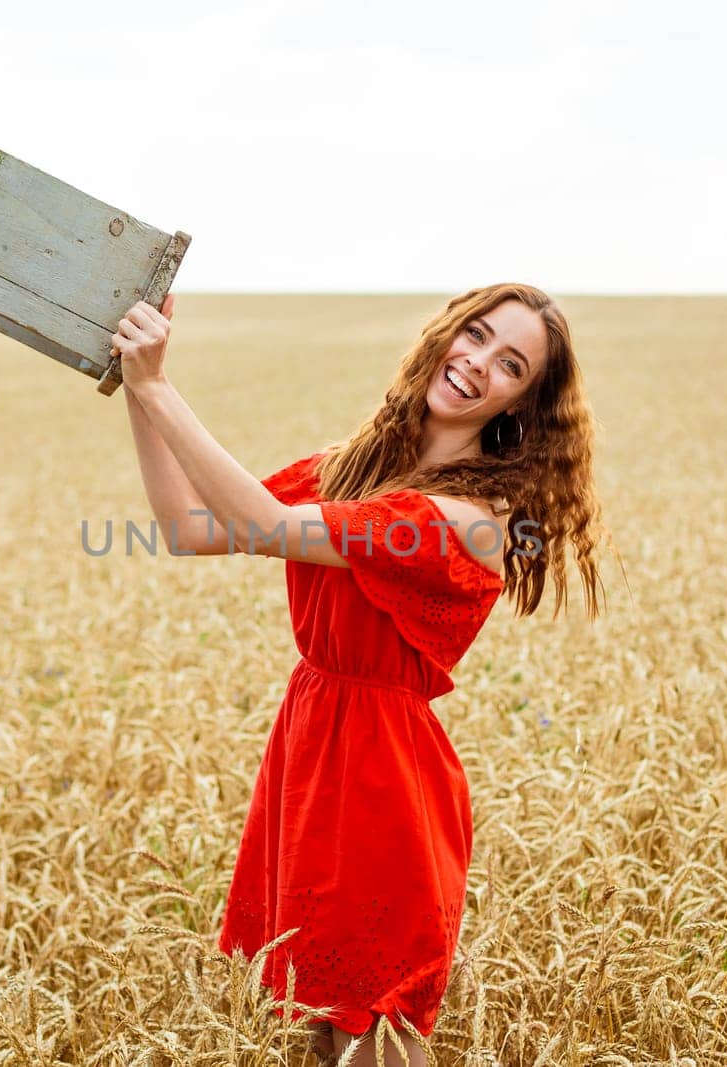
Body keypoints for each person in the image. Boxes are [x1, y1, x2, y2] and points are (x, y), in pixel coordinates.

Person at [115, 283, 608, 1065]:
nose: (478, 363)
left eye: (510, 363)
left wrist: (157, 384)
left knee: (376, 1036)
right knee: (314, 1032)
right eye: (475, 336)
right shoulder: (352, 472)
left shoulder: (461, 520)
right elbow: (189, 527)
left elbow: (263, 525)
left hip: (384, 785)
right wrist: (132, 387)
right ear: (445, 333)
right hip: (309, 760)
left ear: (523, 403)